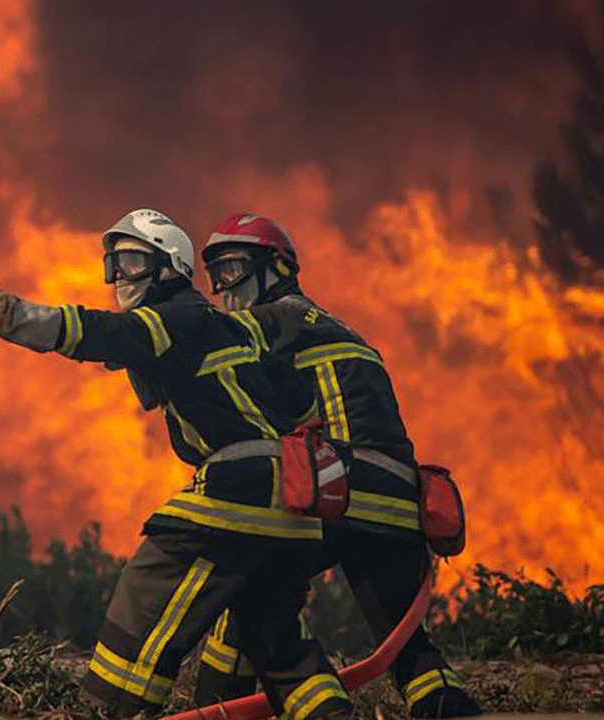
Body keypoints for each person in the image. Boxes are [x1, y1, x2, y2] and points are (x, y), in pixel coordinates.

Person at [0, 208, 352, 720]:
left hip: (241, 489)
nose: (120, 276)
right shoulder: (232, 328)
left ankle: (109, 710)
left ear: (170, 268)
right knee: (274, 639)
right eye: (114, 264)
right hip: (294, 510)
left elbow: (100, 333)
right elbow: (303, 405)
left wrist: (13, 316)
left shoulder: (174, 317)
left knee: (143, 595)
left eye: (134, 262)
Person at [195, 212, 482, 718]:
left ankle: (277, 706)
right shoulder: (334, 326)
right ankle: (443, 703)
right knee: (406, 643)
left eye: (233, 269)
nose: (223, 288)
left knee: (251, 590)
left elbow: (204, 342)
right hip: (397, 501)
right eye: (215, 275)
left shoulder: (271, 321)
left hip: (339, 491)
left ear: (276, 269)